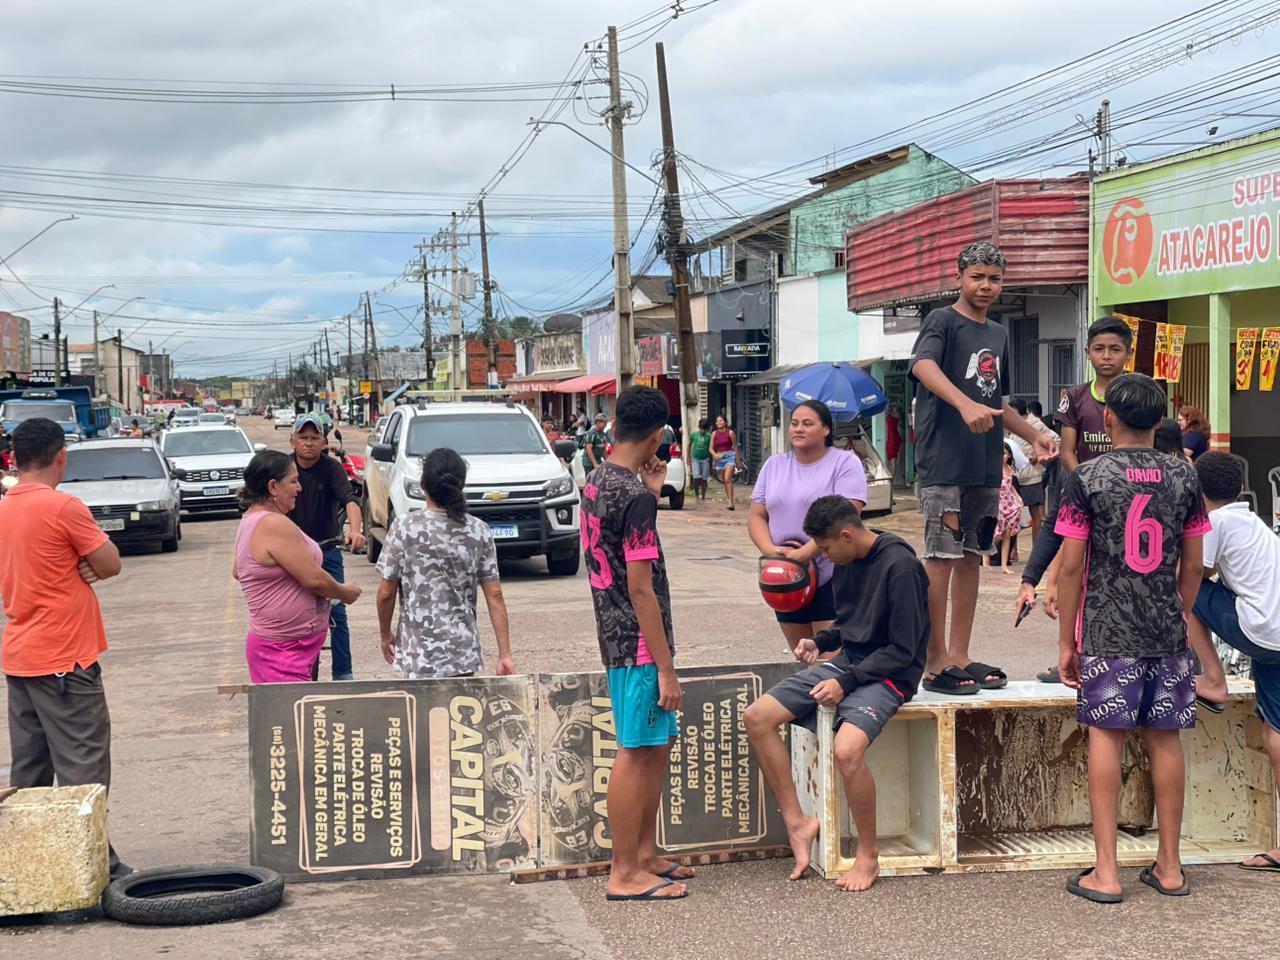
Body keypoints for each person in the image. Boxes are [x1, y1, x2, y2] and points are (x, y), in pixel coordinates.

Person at [1055, 373, 1209, 903]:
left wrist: (1066, 642)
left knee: (1107, 737)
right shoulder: (1185, 478)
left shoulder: (1088, 477)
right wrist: (1178, 613)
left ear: (1109, 420)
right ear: (1161, 422)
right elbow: (1194, 563)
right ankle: (1170, 867)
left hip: (1107, 630)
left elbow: (1071, 568)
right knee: (1166, 739)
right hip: (1167, 629)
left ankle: (1107, 871)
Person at [744, 495, 929, 892]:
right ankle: (798, 823)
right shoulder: (845, 560)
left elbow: (903, 650)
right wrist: (820, 640)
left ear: (847, 534)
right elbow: (850, 626)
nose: (823, 557)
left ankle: (867, 855)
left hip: (891, 675)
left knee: (846, 750)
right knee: (757, 717)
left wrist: (846, 681)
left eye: (825, 548)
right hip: (851, 664)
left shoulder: (901, 567)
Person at [908, 240, 1056, 695]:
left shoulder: (999, 334)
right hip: (944, 463)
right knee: (940, 560)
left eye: (994, 278)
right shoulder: (942, 321)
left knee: (972, 558)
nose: (986, 285)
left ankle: (959, 655)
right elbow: (922, 366)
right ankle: (933, 664)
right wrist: (962, 402)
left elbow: (997, 402)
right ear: (959, 278)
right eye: (977, 277)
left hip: (984, 466)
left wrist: (1034, 434)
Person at [0, 418, 129, 877]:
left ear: (14, 457)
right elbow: (109, 563)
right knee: (84, 769)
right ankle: (95, 869)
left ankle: (26, 872)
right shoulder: (62, 507)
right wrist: (80, 561)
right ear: (61, 456)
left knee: (30, 774)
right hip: (65, 658)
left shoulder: (4, 507)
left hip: (20, 656)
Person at [581, 385, 689, 902]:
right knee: (636, 752)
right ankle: (624, 872)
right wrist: (666, 668)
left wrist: (651, 487)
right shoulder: (636, 496)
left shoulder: (600, 480)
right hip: (640, 643)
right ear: (655, 436)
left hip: (616, 632)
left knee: (654, 744)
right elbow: (641, 586)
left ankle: (644, 854)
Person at [1013, 316, 1135, 682]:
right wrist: (1086, 480)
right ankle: (1070, 655)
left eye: (1115, 349)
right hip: (1083, 490)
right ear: (1087, 353)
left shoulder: (1139, 393)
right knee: (1071, 572)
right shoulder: (1075, 397)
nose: (1107, 356)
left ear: (1128, 355)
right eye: (1099, 349)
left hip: (1130, 496)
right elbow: (1068, 450)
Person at [1184, 452, 1280, 873]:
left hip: (1260, 630)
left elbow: (1195, 575)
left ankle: (1213, 680)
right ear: (1240, 491)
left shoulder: (1214, 524)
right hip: (1275, 633)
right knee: (1274, 729)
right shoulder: (1255, 523)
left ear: (1196, 492)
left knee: (1184, 596)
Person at [376, 448, 515, 679]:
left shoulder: (405, 528)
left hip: (417, 655)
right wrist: (505, 654)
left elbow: (385, 593)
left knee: (420, 715)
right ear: (461, 485)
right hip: (462, 654)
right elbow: (495, 596)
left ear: (422, 485)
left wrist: (385, 634)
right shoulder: (478, 530)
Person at [748, 400, 868, 654]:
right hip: (784, 575)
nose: (798, 429)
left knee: (833, 662)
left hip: (832, 573)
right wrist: (770, 550)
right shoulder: (774, 465)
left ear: (826, 429)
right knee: (802, 659)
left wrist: (805, 554)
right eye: (794, 423)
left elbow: (846, 514)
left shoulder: (845, 463)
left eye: (808, 423)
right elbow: (757, 515)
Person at [235, 450, 362, 683]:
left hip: (287, 648)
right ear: (273, 487)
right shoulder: (272, 523)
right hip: (282, 652)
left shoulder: (252, 519)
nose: (299, 488)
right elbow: (313, 579)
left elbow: (238, 570)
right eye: (293, 482)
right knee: (290, 716)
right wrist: (344, 592)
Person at [286, 414, 365, 681]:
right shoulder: (284, 469)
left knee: (337, 611)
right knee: (298, 615)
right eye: (303, 438)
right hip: (293, 556)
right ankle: (306, 674)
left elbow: (350, 500)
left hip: (327, 550)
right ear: (293, 441)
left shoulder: (331, 469)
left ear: (323, 443)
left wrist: (355, 530)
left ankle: (344, 674)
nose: (308, 443)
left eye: (314, 438)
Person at [1008, 397, 1055, 543]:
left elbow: (1056, 439)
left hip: (1031, 475)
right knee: (1011, 513)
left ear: (1019, 410)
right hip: (1013, 474)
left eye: (1012, 410)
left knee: (1035, 514)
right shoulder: (1011, 424)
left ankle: (1036, 547)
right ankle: (1012, 551)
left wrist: (1039, 456)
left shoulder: (1035, 423)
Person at [987, 444, 1022, 574]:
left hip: (1009, 502)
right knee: (997, 534)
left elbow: (1010, 486)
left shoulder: (1011, 469)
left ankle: (1004, 565)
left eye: (1006, 453)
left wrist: (1018, 497)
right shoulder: (994, 469)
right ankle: (985, 557)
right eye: (1001, 453)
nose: (1003, 456)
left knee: (1007, 534)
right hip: (998, 502)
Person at [711, 415, 739, 510]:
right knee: (724, 481)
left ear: (725, 422)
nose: (719, 422)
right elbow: (711, 448)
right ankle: (728, 499)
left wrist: (737, 460)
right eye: (717, 421)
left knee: (728, 479)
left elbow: (735, 447)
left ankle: (731, 502)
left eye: (721, 420)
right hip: (719, 458)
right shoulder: (714, 433)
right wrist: (714, 457)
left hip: (729, 457)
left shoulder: (730, 433)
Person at [688, 417, 713, 502]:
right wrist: (688, 457)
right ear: (699, 427)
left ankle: (703, 496)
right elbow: (689, 445)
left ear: (707, 429)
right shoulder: (694, 435)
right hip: (695, 459)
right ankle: (696, 494)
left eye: (704, 429)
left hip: (705, 459)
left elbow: (712, 448)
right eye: (701, 429)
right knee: (696, 477)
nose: (702, 431)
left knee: (704, 479)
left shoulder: (709, 436)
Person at [581, 412, 609, 478]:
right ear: (598, 422)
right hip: (589, 462)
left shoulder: (603, 434)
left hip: (598, 460)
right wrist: (594, 463)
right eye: (603, 423)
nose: (604, 426)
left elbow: (603, 449)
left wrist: (607, 462)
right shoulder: (591, 433)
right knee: (591, 481)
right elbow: (588, 448)